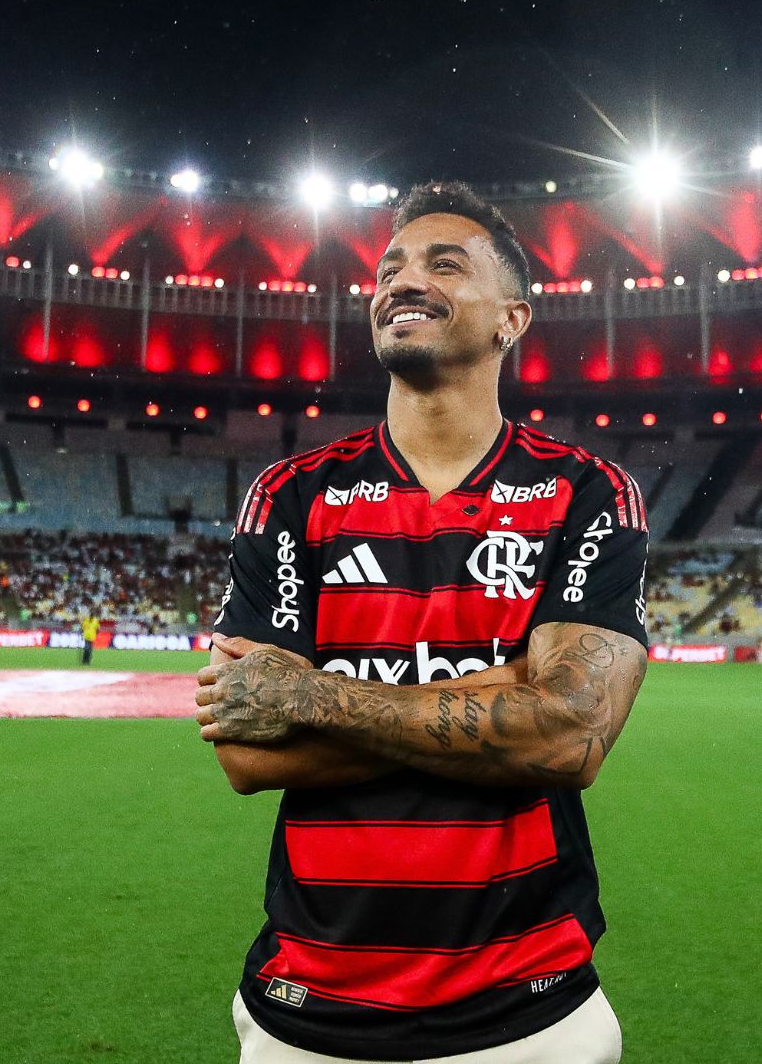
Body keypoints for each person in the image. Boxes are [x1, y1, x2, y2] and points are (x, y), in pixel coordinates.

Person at [197, 182, 647, 1064]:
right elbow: (247, 751)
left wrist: (314, 697)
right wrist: (504, 699)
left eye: (446, 263)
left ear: (512, 318)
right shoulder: (292, 494)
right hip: (306, 1005)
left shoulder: (585, 491)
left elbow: (571, 736)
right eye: (391, 265)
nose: (404, 279)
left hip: (531, 1011)